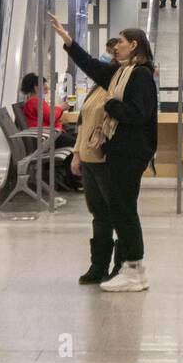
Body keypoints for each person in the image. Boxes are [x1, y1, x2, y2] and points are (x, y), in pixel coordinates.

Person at [50, 17, 158, 293]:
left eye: (120, 42)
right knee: (119, 210)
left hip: (131, 153)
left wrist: (112, 105)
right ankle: (128, 268)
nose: (115, 48)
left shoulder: (141, 75)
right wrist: (69, 41)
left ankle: (134, 269)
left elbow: (138, 114)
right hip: (119, 152)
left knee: (124, 210)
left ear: (134, 45)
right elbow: (92, 66)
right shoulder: (121, 73)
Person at [21, 72, 75, 149]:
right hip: (47, 139)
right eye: (45, 88)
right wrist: (60, 108)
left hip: (44, 136)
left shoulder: (32, 102)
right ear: (37, 88)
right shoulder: (35, 102)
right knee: (76, 143)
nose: (46, 92)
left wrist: (59, 108)